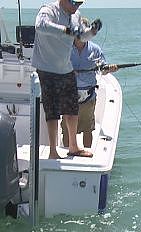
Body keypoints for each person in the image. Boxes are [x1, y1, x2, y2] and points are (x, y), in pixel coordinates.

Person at [32, 0, 102, 159]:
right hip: (46, 67)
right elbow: (40, 26)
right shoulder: (48, 10)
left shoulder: (75, 15)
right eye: (75, 3)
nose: (78, 7)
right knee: (52, 111)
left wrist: (92, 32)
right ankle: (53, 151)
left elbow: (81, 36)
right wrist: (66, 30)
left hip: (65, 67)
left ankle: (74, 147)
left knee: (72, 107)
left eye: (80, 4)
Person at [61, 18, 118, 148]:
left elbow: (102, 69)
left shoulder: (95, 49)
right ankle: (66, 153)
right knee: (67, 130)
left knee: (88, 129)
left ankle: (87, 153)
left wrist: (109, 69)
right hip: (68, 95)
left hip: (88, 96)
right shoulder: (65, 48)